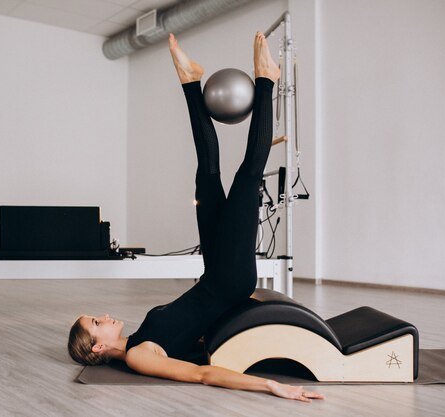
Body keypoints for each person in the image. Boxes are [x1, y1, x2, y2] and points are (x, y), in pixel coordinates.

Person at [68, 32, 324, 403]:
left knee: (206, 174)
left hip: (214, 271)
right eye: (96, 323)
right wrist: (271, 386)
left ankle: (190, 81)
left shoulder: (140, 337)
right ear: (96, 349)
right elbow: (203, 375)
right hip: (230, 278)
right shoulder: (140, 356)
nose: (104, 316)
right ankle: (266, 78)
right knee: (247, 176)